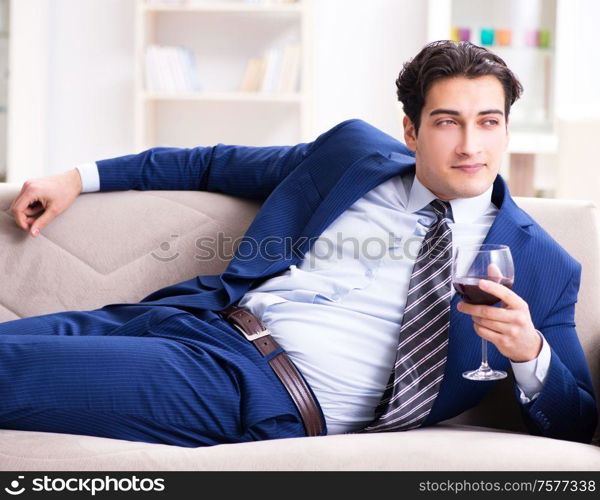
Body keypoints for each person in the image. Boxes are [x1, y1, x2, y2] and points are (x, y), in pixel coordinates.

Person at [3, 41, 597, 446]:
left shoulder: (543, 263)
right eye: (448, 121)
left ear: (506, 128)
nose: (471, 144)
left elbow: (579, 425)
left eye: (488, 121)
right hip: (195, 321)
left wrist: (530, 354)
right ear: (412, 131)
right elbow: (212, 163)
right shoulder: (354, 157)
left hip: (262, 391)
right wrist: (79, 177)